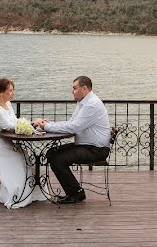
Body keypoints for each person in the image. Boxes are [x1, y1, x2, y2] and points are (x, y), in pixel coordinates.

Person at [34, 76, 110, 205]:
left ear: (84, 88)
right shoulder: (84, 103)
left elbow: (74, 127)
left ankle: (76, 194)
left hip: (96, 149)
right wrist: (49, 124)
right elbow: (72, 124)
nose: (72, 91)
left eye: (74, 88)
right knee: (52, 153)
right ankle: (75, 191)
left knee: (58, 159)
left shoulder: (91, 105)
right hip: (87, 146)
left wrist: (46, 126)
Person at [0, 78, 44, 209]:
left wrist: (29, 125)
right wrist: (31, 123)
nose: (13, 93)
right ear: (1, 92)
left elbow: (15, 121)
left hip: (0, 140)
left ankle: (27, 193)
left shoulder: (8, 104)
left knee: (25, 156)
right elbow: (8, 126)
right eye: (10, 90)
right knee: (15, 159)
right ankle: (15, 195)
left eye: (12, 90)